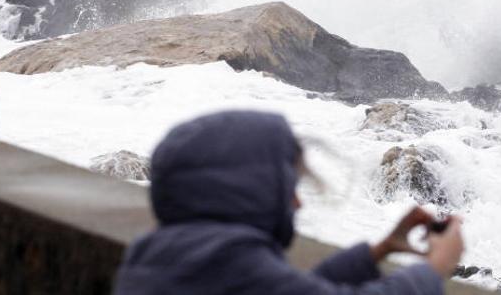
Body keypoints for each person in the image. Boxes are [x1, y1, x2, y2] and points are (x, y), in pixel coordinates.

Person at [114, 110, 464, 295]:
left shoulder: (157, 251)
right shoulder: (227, 261)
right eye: (287, 186)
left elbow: (295, 288)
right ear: (242, 190)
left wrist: (379, 251)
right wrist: (435, 268)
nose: (297, 202)